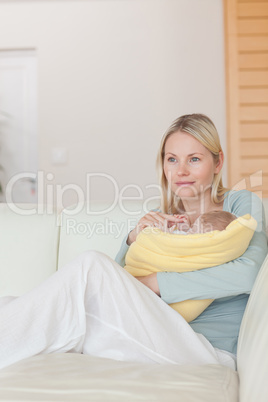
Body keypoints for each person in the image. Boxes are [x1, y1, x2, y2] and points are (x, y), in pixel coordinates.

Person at [0, 114, 267, 371]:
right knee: (17, 305)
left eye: (194, 159)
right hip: (149, 332)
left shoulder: (240, 204)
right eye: (172, 159)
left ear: (218, 163)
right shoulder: (165, 215)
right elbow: (111, 285)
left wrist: (155, 283)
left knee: (89, 266)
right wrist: (132, 239)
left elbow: (249, 274)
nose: (181, 171)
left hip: (204, 348)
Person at [123, 210, 256, 322]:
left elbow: (170, 244)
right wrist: (133, 236)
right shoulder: (160, 212)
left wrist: (153, 282)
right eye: (192, 230)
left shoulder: (240, 203)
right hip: (139, 292)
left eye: (195, 232)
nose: (191, 235)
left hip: (161, 309)